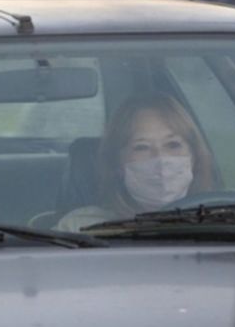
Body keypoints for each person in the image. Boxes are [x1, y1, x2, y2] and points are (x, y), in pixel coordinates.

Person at [57, 94, 218, 232]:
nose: (160, 160)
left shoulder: (227, 222)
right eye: (142, 147)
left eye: (173, 145)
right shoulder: (80, 228)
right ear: (117, 164)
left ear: (195, 156)